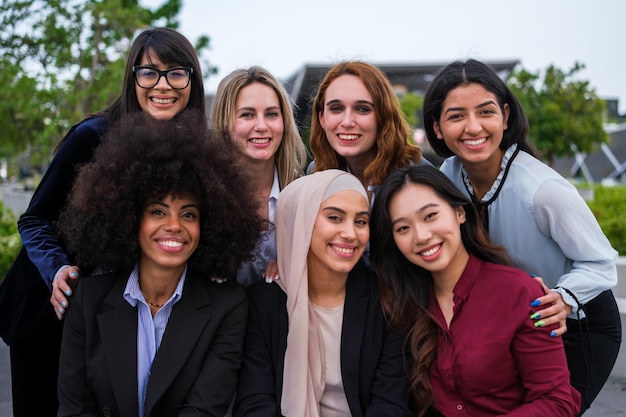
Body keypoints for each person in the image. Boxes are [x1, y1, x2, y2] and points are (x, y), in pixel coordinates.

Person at [0, 26, 206, 417]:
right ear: (133, 78)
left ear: (192, 81)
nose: (163, 85)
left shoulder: (190, 148)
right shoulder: (92, 136)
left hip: (113, 316)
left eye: (176, 72)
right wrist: (58, 268)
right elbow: (34, 219)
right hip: (51, 308)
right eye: (149, 72)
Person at [422, 58, 621, 415]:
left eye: (485, 112)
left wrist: (564, 299)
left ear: (506, 115)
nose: (473, 127)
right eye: (456, 116)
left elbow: (602, 262)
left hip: (578, 322)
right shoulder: (448, 174)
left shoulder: (542, 190)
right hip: (516, 320)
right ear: (436, 128)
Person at [56, 111, 263, 416]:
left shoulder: (228, 305)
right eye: (158, 211)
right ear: (129, 217)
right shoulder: (87, 299)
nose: (174, 225)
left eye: (189, 214)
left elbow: (204, 410)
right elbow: (75, 409)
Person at [370, 165, 582, 417]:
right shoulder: (402, 303)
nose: (422, 236)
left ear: (460, 213)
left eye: (430, 216)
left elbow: (557, 401)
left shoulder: (520, 292)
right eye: (403, 228)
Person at [234, 170, 412, 417]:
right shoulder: (261, 303)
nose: (350, 233)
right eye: (335, 218)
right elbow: (254, 403)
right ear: (301, 221)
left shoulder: (386, 300)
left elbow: (391, 404)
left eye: (360, 221)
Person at [210, 66, 308, 287]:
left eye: (272, 114)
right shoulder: (204, 197)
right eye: (247, 114)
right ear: (224, 124)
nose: (262, 126)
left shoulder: (303, 193)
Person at [308, 60, 431, 202]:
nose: (347, 122)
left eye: (362, 109)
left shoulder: (419, 175)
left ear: (383, 116)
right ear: (322, 118)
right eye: (336, 108)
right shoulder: (317, 174)